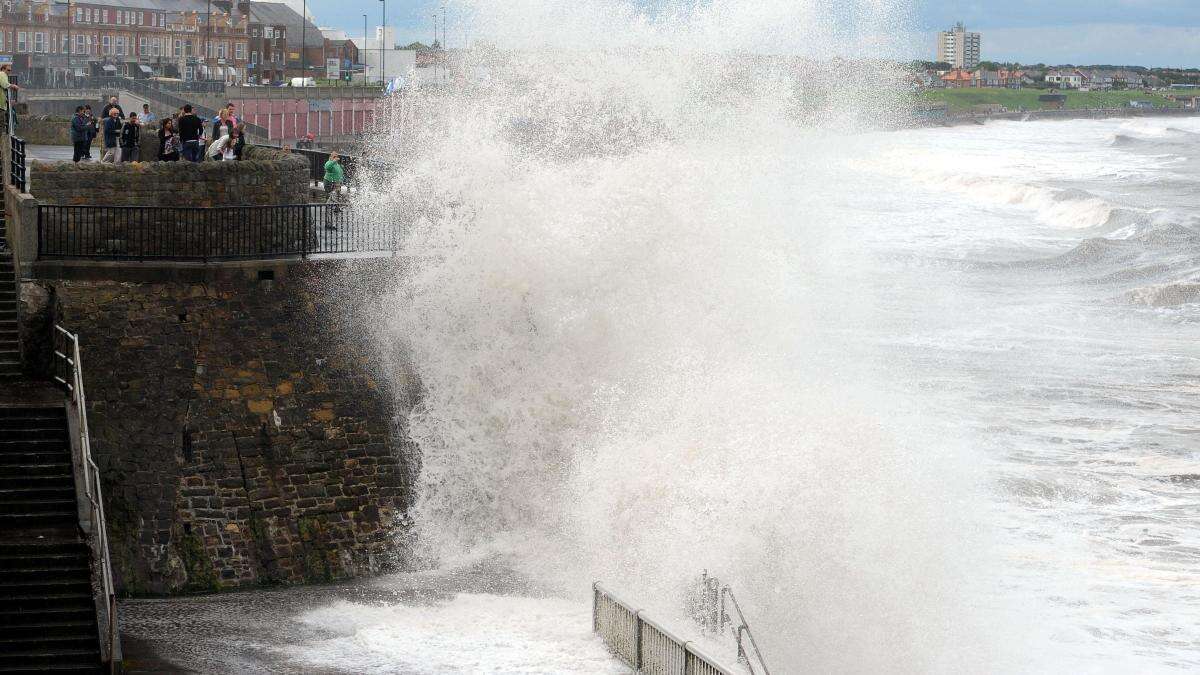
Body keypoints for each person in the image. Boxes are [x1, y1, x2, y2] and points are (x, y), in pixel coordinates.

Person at [323, 151, 345, 226]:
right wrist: (333, 161)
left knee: (335, 199)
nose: (336, 158)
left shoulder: (337, 165)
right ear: (331, 157)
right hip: (330, 183)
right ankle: (329, 220)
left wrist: (341, 180)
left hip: (336, 184)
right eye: (334, 156)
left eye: (337, 156)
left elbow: (340, 173)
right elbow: (327, 167)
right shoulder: (329, 162)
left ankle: (335, 209)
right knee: (331, 199)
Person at [0, 64, 19, 132]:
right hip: (0, 106)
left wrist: (8, 100)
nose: (9, 72)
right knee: (1, 125)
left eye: (10, 71)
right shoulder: (2, 74)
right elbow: (5, 85)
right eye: (8, 70)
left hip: (2, 103)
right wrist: (13, 86)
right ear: (3, 69)